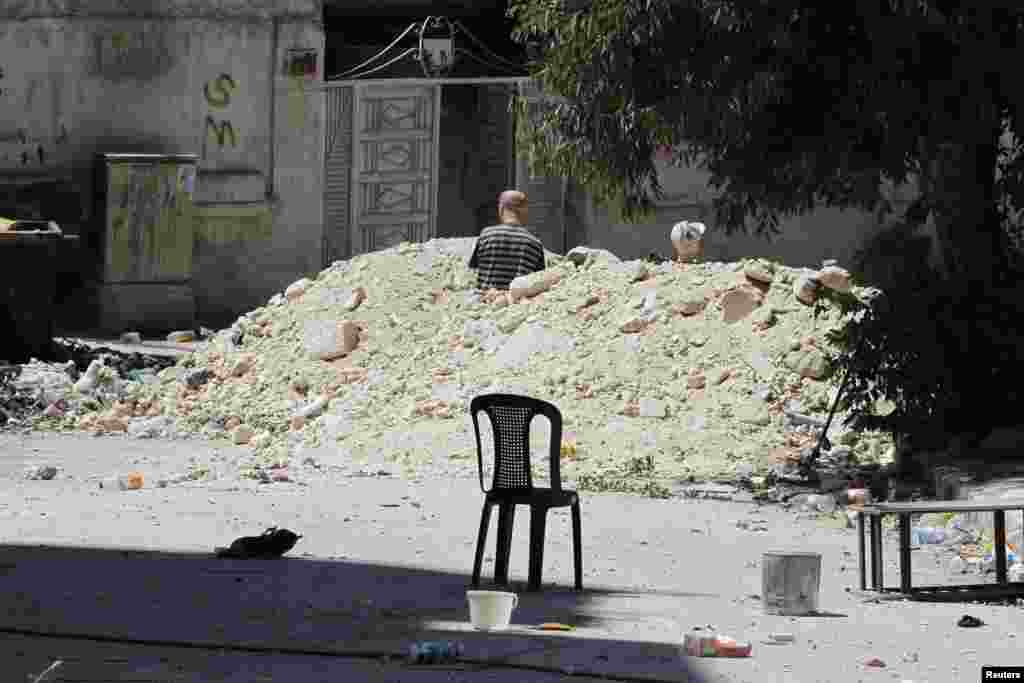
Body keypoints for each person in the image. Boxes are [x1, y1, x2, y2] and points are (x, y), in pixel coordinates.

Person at [467, 190, 546, 291]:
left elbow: (473, 269)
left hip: (485, 302)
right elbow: (538, 281)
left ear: (501, 208)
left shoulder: (486, 235)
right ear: (524, 211)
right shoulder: (535, 243)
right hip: (516, 304)